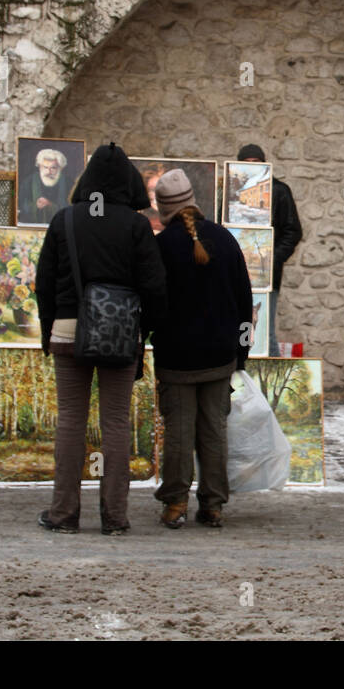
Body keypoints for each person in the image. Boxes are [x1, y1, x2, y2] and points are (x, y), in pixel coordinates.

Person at [35, 143, 167, 535]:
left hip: (68, 329)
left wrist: (49, 333)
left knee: (71, 422)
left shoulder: (65, 220)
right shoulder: (137, 225)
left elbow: (43, 283)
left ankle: (63, 514)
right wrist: (143, 334)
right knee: (115, 424)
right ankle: (115, 516)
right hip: (119, 334)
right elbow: (155, 287)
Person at [151, 168, 253, 529]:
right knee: (214, 431)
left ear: (164, 210)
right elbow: (244, 302)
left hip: (176, 358)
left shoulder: (160, 247)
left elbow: (152, 304)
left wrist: (151, 339)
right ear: (193, 201)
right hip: (219, 356)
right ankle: (212, 505)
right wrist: (240, 356)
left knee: (178, 433)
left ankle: (175, 503)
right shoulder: (225, 240)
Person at [236, 144, 301, 355]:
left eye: (256, 163)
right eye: (247, 164)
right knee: (237, 328)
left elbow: (293, 231)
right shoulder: (230, 191)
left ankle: (267, 381)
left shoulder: (280, 191)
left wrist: (271, 259)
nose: (252, 168)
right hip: (236, 272)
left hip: (267, 274)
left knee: (264, 331)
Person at [20, 147, 72, 225]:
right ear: (39, 166)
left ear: (60, 168)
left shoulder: (69, 183)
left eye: (53, 168)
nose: (48, 171)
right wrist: (35, 205)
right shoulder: (28, 182)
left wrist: (51, 205)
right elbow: (22, 205)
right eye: (45, 167)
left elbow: (72, 209)